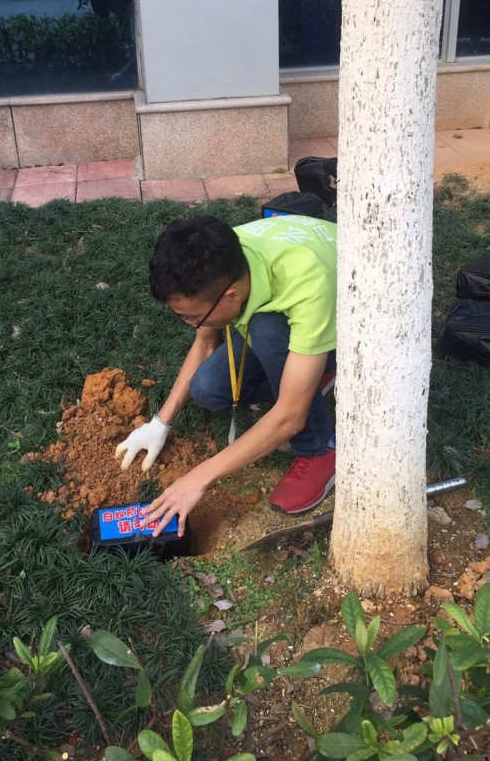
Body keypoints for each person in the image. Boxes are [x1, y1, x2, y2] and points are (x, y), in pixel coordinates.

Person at [115, 214, 337, 538]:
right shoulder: (221, 258)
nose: (193, 325)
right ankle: (307, 374)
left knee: (266, 331)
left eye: (193, 317)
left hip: (357, 324)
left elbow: (289, 417)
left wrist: (197, 478)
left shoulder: (306, 285)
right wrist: (159, 423)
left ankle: (320, 448)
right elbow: (205, 344)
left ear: (231, 295)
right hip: (301, 316)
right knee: (207, 387)